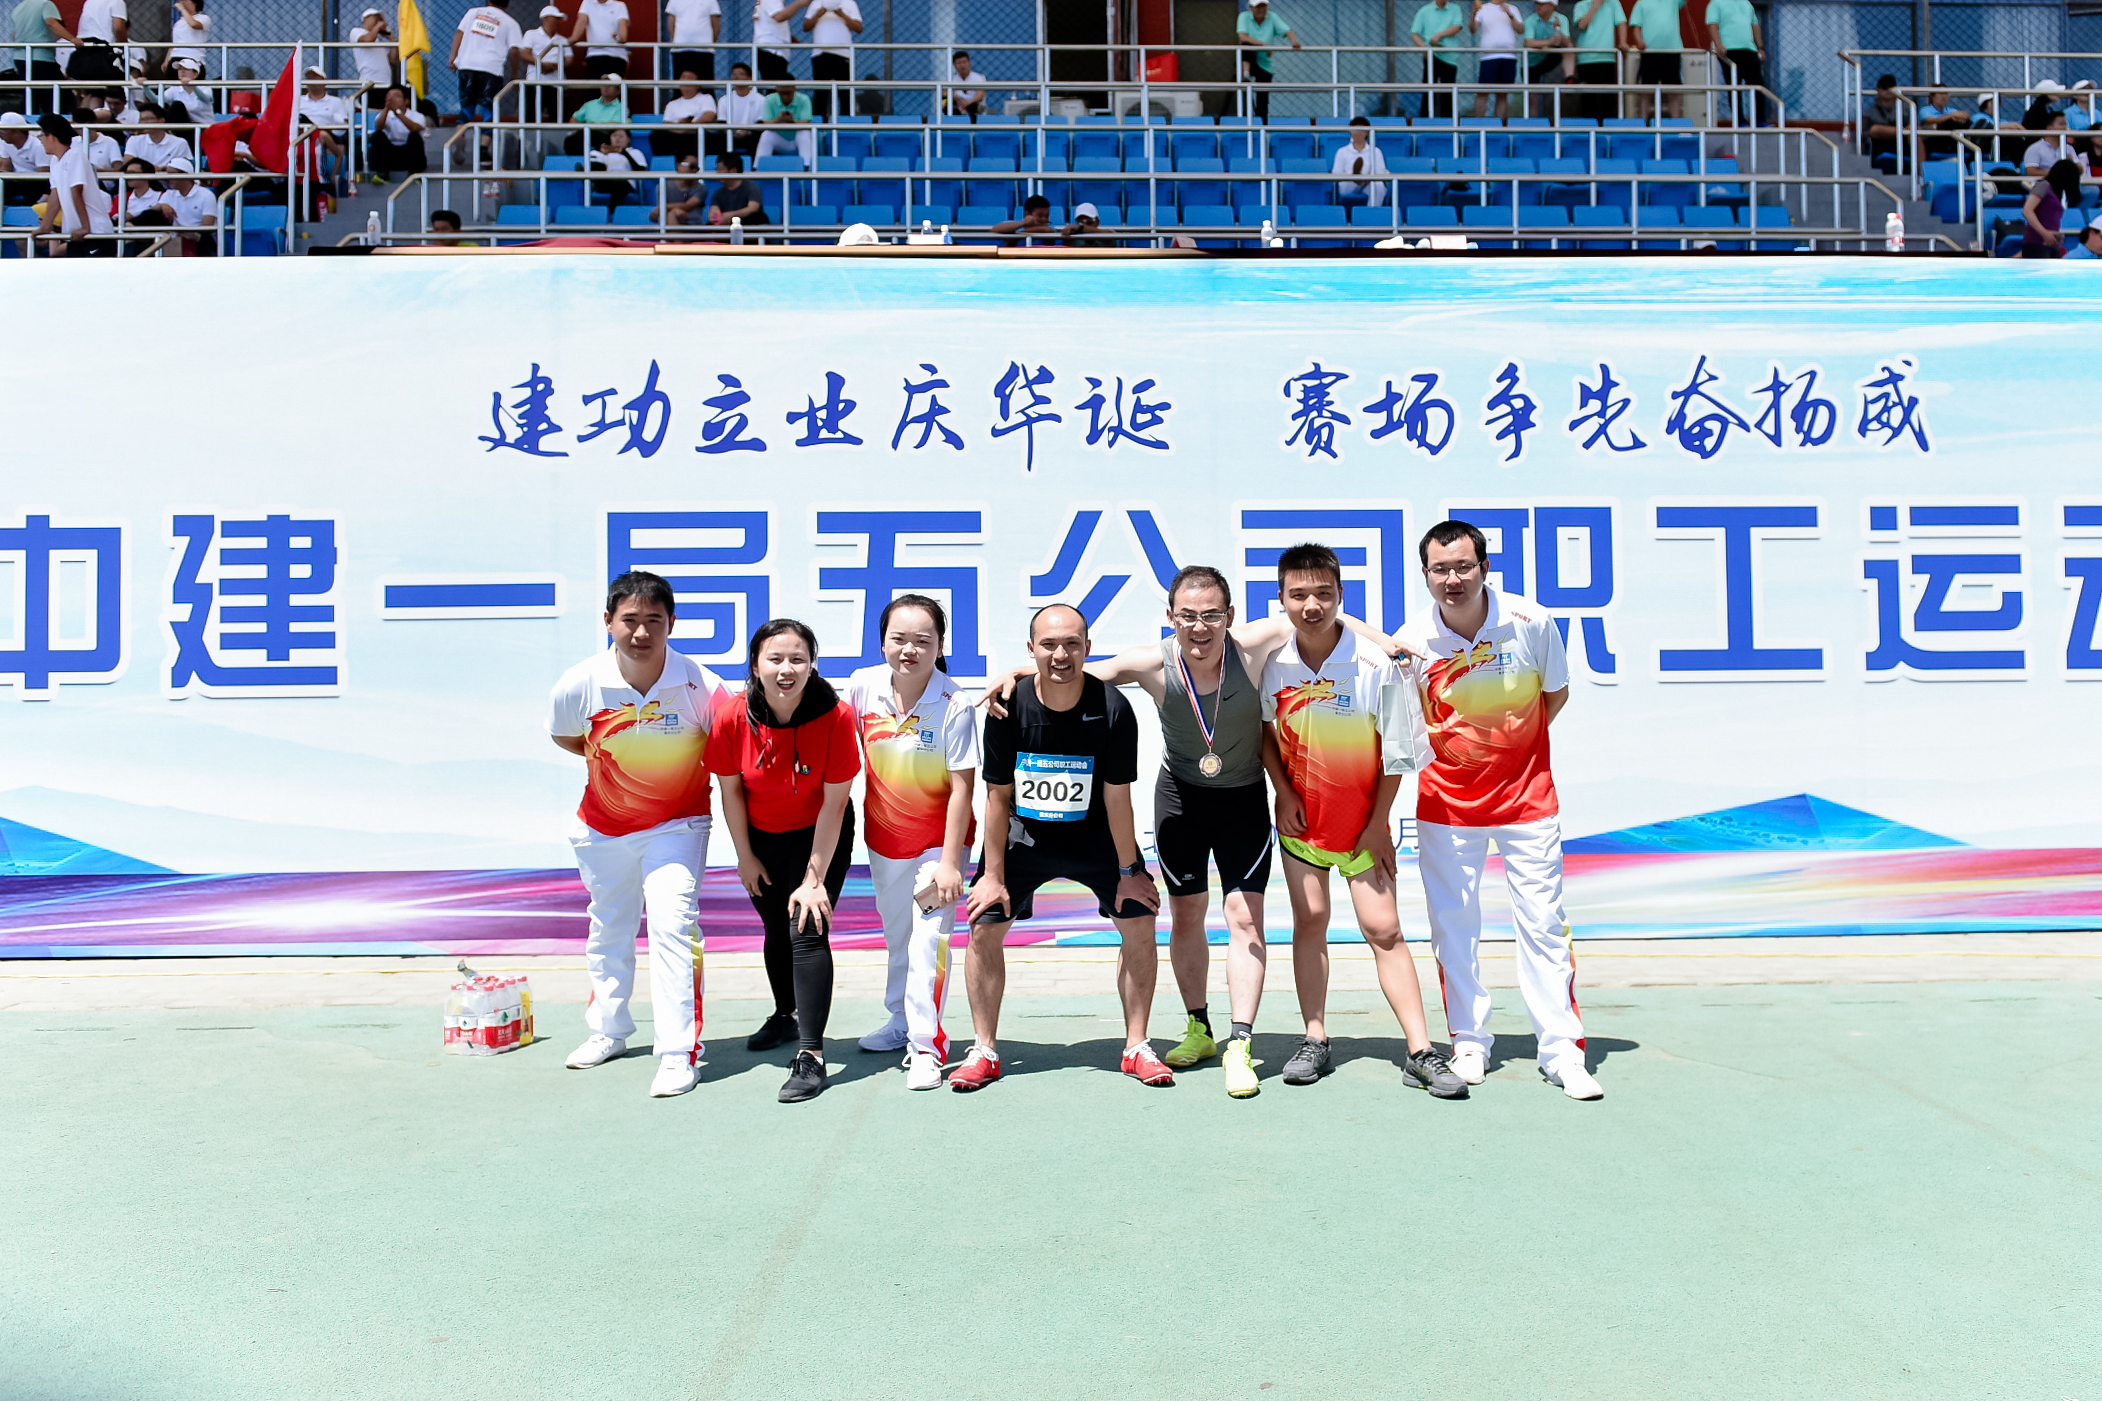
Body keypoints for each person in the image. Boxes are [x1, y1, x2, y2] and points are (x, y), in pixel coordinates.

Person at [983, 568, 1422, 1098]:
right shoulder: (1152, 663)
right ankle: (1199, 1028)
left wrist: (1384, 642)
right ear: (1171, 618)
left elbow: (1324, 616)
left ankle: (1241, 1043)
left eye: (1212, 615)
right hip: (1180, 802)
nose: (1200, 626)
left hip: (1242, 801)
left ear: (1229, 616)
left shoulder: (1252, 645)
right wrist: (1016, 671)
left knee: (1245, 918)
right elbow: (1075, 669)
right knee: (1187, 915)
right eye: (1187, 616)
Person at [1392, 521, 1601, 1101]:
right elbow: (1408, 725)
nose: (1452, 579)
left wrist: (1510, 751)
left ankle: (1561, 1051)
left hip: (1527, 802)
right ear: (1426, 574)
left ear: (1484, 567)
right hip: (1446, 807)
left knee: (1543, 925)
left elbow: (1554, 693)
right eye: (1440, 569)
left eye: (1463, 566)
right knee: (1453, 930)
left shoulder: (1530, 621)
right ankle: (1469, 1042)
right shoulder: (1413, 641)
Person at [1259, 543, 1467, 1099]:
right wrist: (1282, 791)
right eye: (1298, 595)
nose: (1311, 605)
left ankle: (1421, 1051)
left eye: (1323, 594)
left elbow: (1399, 754)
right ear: (1281, 599)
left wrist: (1378, 825)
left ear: (1340, 597)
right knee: (1310, 922)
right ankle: (1314, 1038)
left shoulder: (1377, 665)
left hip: (1363, 826)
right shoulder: (1272, 664)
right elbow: (1264, 732)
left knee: (1384, 930)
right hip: (1302, 826)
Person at [952, 604, 1168, 1094]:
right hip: (1025, 839)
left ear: (1088, 649)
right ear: (1031, 650)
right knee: (983, 925)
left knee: (1139, 918)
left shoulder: (1114, 708)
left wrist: (1129, 870)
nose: (1060, 654)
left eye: (1072, 643)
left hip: (1096, 838)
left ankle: (1136, 1046)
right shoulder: (1008, 706)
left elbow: (1117, 796)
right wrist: (992, 875)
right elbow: (997, 796)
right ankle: (984, 1049)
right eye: (1049, 644)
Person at [549, 571, 730, 1100]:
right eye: (630, 620)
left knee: (673, 927)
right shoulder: (578, 683)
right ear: (609, 622)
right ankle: (609, 1031)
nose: (642, 632)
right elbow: (568, 737)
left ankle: (677, 1052)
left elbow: (725, 753)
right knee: (610, 926)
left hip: (678, 825)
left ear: (672, 623)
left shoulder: (703, 686)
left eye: (655, 620)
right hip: (603, 829)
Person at [705, 619, 861, 1104]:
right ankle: (784, 1015)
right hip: (762, 839)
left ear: (812, 665)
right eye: (775, 659)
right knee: (776, 927)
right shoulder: (732, 717)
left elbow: (835, 804)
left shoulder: (836, 716)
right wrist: (745, 856)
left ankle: (811, 1055)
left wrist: (814, 879)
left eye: (798, 658)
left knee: (806, 928)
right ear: (756, 666)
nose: (786, 669)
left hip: (821, 835)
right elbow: (731, 792)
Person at [844, 595, 979, 1090]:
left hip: (937, 848)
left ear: (940, 646)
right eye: (899, 639)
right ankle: (899, 1020)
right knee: (898, 936)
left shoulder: (955, 704)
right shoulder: (862, 687)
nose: (909, 650)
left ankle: (925, 1047)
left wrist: (950, 863)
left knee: (928, 940)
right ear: (882, 642)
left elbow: (962, 788)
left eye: (923, 640)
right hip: (884, 840)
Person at [36, 115, 110, 254]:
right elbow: (55, 195)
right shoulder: (55, 161)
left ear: (50, 136)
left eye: (42, 136)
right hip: (75, 233)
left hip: (95, 231)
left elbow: (77, 190)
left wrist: (85, 227)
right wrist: (45, 227)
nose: (41, 141)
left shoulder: (75, 155)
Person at [450, 0, 521, 124]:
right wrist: (514, 75)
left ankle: (460, 134)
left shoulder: (473, 13)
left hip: (468, 65)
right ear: (507, 4)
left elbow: (459, 33)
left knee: (467, 108)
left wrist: (453, 57)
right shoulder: (510, 22)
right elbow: (514, 50)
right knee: (488, 110)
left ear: (489, 1)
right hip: (491, 69)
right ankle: (485, 136)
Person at [1235, 0, 1299, 121]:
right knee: (1246, 47)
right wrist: (1263, 45)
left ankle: (1262, 125)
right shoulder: (1244, 16)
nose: (1261, 9)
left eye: (1263, 6)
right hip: (1250, 59)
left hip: (1265, 63)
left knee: (1262, 100)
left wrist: (1294, 42)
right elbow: (1243, 37)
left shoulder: (1272, 16)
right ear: (1251, 8)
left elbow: (1288, 31)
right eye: (1258, 7)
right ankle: (1246, 74)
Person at [1703, 0, 1763, 126]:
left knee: (1758, 84)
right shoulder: (1716, 3)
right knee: (1734, 86)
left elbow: (1755, 25)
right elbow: (1713, 24)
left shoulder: (1746, 3)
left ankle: (1760, 120)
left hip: (1749, 49)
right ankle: (1740, 121)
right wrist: (1718, 45)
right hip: (1729, 50)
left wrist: (1760, 47)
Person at [13, 0, 75, 114]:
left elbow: (14, 35)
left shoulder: (19, 8)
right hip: (41, 57)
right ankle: (54, 120)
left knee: (31, 93)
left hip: (20, 57)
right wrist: (73, 40)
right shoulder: (46, 4)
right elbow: (51, 22)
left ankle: (30, 120)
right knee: (59, 93)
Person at [1624, 0, 1683, 120]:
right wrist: (1639, 41)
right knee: (1645, 91)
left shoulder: (1673, 1)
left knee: (1674, 91)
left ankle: (1676, 123)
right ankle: (1643, 122)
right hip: (1649, 52)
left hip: (1672, 51)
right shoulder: (1641, 3)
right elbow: (1636, 26)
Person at [1568, 0, 1623, 121]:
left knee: (1607, 100)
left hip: (1607, 58)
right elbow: (1582, 26)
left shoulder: (1614, 3)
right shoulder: (1581, 5)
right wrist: (1595, 7)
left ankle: (1606, 130)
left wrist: (1623, 42)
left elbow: (1621, 22)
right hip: (1586, 59)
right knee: (1588, 100)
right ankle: (1590, 129)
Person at [1408, 0, 1464, 119]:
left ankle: (1449, 121)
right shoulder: (1424, 11)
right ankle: (1426, 120)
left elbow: (1457, 27)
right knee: (1428, 90)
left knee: (1448, 91)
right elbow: (1414, 33)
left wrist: (1439, 35)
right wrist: (1425, 49)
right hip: (1431, 56)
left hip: (1449, 56)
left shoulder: (1455, 9)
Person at [803, 0, 858, 119]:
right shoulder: (816, 3)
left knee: (845, 93)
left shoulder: (849, 3)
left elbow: (858, 28)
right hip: (820, 53)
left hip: (842, 53)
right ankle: (820, 124)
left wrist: (841, 14)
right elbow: (806, 27)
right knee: (821, 93)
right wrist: (818, 14)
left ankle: (846, 123)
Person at [1469, 0, 1523, 120]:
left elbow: (1520, 30)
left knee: (1502, 94)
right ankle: (1479, 124)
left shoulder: (1513, 8)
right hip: (1489, 57)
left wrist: (1510, 15)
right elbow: (1473, 29)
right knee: (1482, 93)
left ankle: (1500, 126)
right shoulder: (1483, 8)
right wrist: (1473, 14)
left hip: (1508, 57)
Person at [1521, 0, 1572, 119]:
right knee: (1532, 98)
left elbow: (1567, 43)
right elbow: (1528, 43)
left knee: (1569, 48)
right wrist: (1548, 42)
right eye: (1537, 3)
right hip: (1531, 63)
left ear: (1552, 6)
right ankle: (1533, 124)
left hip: (1550, 58)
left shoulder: (1561, 19)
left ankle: (1569, 77)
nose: (1538, 6)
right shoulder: (1530, 20)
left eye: (1542, 4)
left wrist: (1558, 30)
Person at [2022, 157, 2080, 258]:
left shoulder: (2057, 193)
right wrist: (2044, 233)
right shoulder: (2044, 185)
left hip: (2051, 245)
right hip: (2037, 244)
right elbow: (2027, 210)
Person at [368, 83, 427, 176]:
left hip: (409, 154)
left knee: (415, 136)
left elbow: (414, 128)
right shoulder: (384, 115)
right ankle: (382, 174)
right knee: (377, 136)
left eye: (396, 96)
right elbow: (379, 127)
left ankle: (415, 174)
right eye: (389, 96)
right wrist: (387, 109)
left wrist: (398, 113)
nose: (392, 99)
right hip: (390, 153)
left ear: (406, 101)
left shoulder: (417, 116)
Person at [656, 72, 718, 162]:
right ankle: (664, 164)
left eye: (690, 77)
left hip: (696, 133)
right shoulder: (672, 104)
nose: (686, 80)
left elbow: (709, 116)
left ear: (698, 84)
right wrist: (680, 127)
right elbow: (667, 124)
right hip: (678, 134)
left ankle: (697, 164)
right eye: (683, 77)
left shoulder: (706, 98)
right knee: (657, 135)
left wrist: (690, 126)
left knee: (701, 137)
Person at [1332, 112, 1389, 207]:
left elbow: (1381, 172)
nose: (1358, 133)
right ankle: (1356, 176)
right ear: (1350, 132)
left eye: (1362, 130)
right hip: (1349, 183)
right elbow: (1336, 174)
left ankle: (1371, 212)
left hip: (1368, 182)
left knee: (1378, 185)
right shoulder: (1342, 151)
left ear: (1367, 132)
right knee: (1345, 184)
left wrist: (1367, 178)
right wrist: (1353, 178)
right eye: (1355, 130)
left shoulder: (1375, 151)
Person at [755, 77, 812, 166]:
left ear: (794, 88)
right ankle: (759, 166)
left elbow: (806, 123)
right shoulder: (769, 99)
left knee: (804, 133)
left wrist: (791, 122)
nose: (785, 96)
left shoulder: (804, 99)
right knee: (767, 134)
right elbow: (766, 124)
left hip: (796, 140)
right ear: (777, 89)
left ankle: (807, 166)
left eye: (788, 93)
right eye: (782, 93)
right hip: (779, 140)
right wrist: (779, 120)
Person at [570, 0, 628, 80]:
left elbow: (623, 35)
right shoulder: (587, 3)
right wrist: (573, 38)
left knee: (613, 87)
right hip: (594, 54)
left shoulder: (620, 6)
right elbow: (582, 21)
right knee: (595, 86)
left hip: (616, 55)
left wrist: (619, 38)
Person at [568, 75, 625, 155]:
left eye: (610, 85)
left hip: (604, 136)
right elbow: (574, 119)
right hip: (586, 133)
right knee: (570, 141)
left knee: (599, 138)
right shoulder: (589, 104)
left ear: (618, 90)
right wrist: (580, 128)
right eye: (603, 84)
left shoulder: (621, 108)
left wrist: (593, 126)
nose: (605, 87)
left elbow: (614, 125)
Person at [348, 7, 397, 100]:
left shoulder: (378, 41)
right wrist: (378, 26)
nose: (379, 21)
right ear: (366, 19)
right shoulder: (357, 31)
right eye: (376, 18)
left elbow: (393, 60)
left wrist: (392, 39)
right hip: (370, 82)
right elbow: (367, 40)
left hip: (385, 83)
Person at [752, 0, 806, 83]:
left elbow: (769, 23)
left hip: (769, 47)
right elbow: (779, 16)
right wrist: (799, 3)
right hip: (772, 49)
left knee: (774, 83)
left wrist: (787, 37)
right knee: (776, 85)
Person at [664, 0, 719, 81]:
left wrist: (708, 43)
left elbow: (716, 26)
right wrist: (678, 41)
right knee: (680, 84)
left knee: (705, 83)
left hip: (704, 50)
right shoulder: (674, 1)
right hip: (680, 49)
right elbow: (671, 24)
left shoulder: (711, 1)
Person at [719, 61, 766, 155]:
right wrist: (733, 133)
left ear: (750, 78)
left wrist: (748, 132)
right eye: (734, 74)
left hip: (751, 135)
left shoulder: (760, 99)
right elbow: (722, 122)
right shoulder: (724, 100)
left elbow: (760, 122)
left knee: (759, 138)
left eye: (741, 74)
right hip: (730, 135)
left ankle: (755, 164)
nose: (736, 77)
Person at [706, 148, 763, 223]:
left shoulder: (752, 188)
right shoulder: (717, 193)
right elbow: (714, 211)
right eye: (717, 169)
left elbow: (753, 208)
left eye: (720, 169)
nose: (718, 173)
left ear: (733, 171)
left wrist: (731, 215)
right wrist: (713, 217)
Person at [588, 125, 638, 207]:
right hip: (607, 181)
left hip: (626, 183)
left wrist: (624, 153)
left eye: (621, 136)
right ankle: (588, 178)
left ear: (628, 139)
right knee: (594, 156)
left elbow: (640, 169)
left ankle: (612, 212)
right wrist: (602, 154)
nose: (617, 139)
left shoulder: (635, 152)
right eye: (614, 136)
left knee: (619, 183)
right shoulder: (606, 154)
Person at [1860, 72, 1899, 161]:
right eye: (1884, 87)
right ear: (1878, 90)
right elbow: (1866, 134)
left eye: (1891, 87)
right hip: (1880, 147)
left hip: (1903, 145)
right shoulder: (1869, 113)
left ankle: (1920, 168)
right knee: (1875, 129)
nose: (1888, 90)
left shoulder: (1906, 109)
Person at [2024, 111, 2075, 177]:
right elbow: (2031, 172)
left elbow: (2080, 169)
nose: (2065, 128)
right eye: (2061, 124)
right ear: (2049, 128)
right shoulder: (2035, 149)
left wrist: (2072, 163)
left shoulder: (2069, 148)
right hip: (2043, 182)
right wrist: (2056, 174)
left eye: (2065, 124)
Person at [171, 0, 212, 73]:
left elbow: (194, 24)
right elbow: (175, 41)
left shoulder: (203, 18)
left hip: (192, 56)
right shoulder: (180, 22)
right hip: (176, 55)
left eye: (185, 1)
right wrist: (167, 60)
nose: (182, 3)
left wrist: (183, 9)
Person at [667, 152, 706, 222]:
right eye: (692, 166)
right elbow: (656, 214)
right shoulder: (664, 186)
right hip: (669, 222)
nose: (694, 170)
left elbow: (687, 206)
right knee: (671, 214)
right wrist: (673, 211)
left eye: (696, 168)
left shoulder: (701, 189)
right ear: (678, 165)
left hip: (693, 225)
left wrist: (667, 208)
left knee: (672, 213)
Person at [945, 49, 985, 116]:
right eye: (959, 63)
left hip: (975, 108)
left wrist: (968, 102)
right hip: (959, 108)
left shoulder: (978, 77)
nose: (962, 65)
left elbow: (980, 96)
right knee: (945, 102)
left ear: (969, 62)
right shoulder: (953, 79)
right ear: (954, 65)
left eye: (964, 62)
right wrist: (950, 95)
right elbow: (944, 92)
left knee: (973, 106)